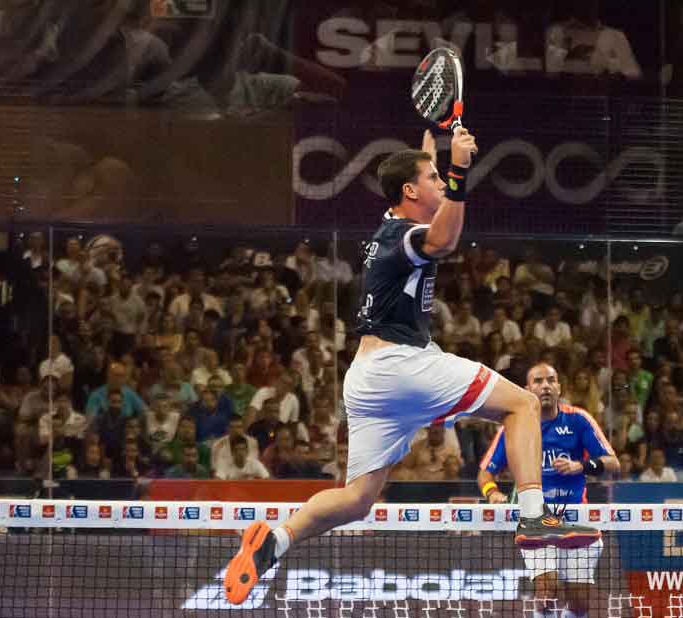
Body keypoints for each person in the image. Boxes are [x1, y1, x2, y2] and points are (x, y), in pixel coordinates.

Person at [224, 127, 599, 604]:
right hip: (401, 365)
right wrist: (460, 171)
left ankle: (275, 540)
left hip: (365, 378)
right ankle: (532, 516)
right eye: (433, 178)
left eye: (442, 177)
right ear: (409, 191)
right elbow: (444, 240)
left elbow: (424, 196)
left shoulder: (391, 222)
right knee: (523, 404)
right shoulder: (404, 236)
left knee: (358, 498)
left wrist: (431, 151)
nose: (440, 184)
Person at [477, 363, 619, 618]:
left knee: (579, 603)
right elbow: (486, 473)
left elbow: (613, 463)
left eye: (551, 380)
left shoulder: (578, 420)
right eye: (538, 381)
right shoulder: (514, 427)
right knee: (547, 591)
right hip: (536, 521)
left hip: (576, 520)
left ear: (559, 388)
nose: (545, 386)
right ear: (527, 389)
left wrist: (581, 466)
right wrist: (492, 493)